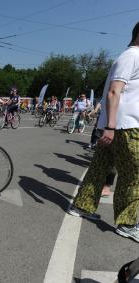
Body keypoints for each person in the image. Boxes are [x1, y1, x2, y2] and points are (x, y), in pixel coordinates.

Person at [67, 21, 139, 242]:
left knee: (99, 168)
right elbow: (113, 92)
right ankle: (127, 223)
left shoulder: (128, 56)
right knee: (135, 175)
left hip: (117, 124)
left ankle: (81, 206)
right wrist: (110, 127)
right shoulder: (133, 56)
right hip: (125, 126)